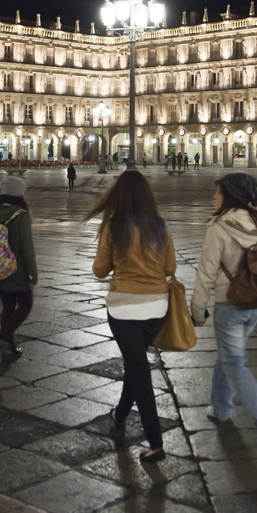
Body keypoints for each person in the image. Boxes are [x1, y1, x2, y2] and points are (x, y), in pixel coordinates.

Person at [88, 170, 177, 463]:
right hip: (156, 309)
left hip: (124, 308)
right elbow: (170, 268)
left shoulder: (114, 227)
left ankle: (156, 442)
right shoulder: (160, 225)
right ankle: (120, 414)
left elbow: (100, 270)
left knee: (139, 370)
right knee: (136, 363)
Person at [191, 174, 257, 447]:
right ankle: (221, 408)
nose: (214, 197)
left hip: (229, 304)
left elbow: (206, 272)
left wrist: (197, 310)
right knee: (228, 355)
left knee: (232, 361)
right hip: (254, 303)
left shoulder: (219, 227)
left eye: (218, 192)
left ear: (230, 195)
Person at [0, 176, 37, 357]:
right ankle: (5, 336)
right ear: (20, 194)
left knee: (8, 306)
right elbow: (27, 248)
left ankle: (9, 345)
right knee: (25, 305)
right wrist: (33, 275)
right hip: (17, 269)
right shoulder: (20, 215)